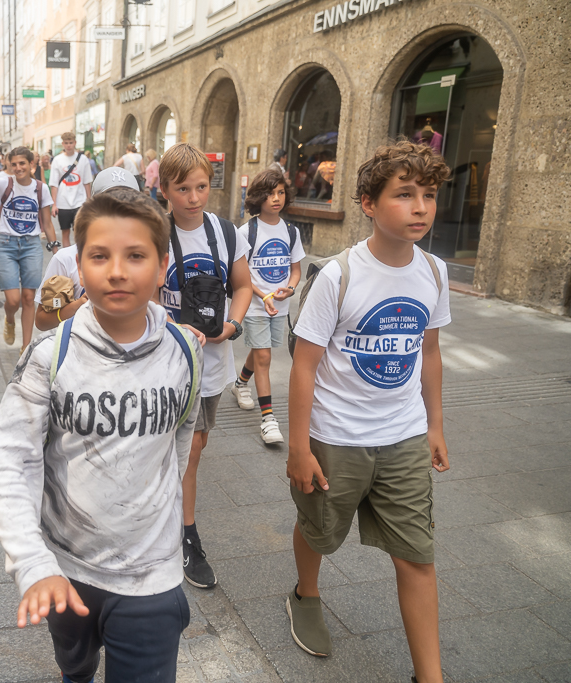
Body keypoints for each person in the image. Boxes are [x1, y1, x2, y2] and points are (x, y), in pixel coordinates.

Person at [0, 186, 202, 683]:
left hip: (153, 577)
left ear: (163, 264)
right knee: (74, 666)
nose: (118, 270)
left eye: (136, 255)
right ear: (79, 265)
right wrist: (33, 563)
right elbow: (9, 464)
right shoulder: (48, 357)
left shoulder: (185, 353)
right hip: (66, 570)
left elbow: (179, 443)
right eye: (100, 256)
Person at [286, 140, 451, 683]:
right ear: (368, 204)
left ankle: (430, 675)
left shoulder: (433, 271)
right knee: (319, 530)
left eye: (428, 195)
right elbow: (305, 364)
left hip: (402, 435)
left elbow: (428, 352)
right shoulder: (338, 275)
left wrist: (435, 425)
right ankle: (305, 593)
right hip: (337, 436)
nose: (421, 207)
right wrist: (299, 446)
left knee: (417, 555)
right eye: (404, 195)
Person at [156, 142, 252, 589]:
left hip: (211, 365)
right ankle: (174, 532)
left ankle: (181, 530)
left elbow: (244, 286)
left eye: (201, 187)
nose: (194, 197)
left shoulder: (228, 232)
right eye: (183, 188)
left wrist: (231, 325)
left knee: (193, 450)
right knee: (161, 449)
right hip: (160, 364)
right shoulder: (154, 232)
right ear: (164, 190)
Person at [231, 168, 304, 445]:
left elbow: (295, 269)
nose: (276, 198)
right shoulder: (246, 231)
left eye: (281, 192)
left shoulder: (290, 231)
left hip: (279, 305)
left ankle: (240, 384)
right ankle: (268, 419)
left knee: (259, 350)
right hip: (255, 304)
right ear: (259, 197)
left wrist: (291, 288)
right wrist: (263, 296)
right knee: (263, 357)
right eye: (271, 193)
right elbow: (241, 275)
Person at [0, 143, 61, 350]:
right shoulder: (4, 182)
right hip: (6, 245)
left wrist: (56, 250)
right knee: (13, 300)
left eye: (22, 163)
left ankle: (26, 346)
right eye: (14, 164)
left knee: (29, 297)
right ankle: (10, 317)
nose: (18, 168)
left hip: (31, 245)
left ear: (32, 164)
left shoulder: (41, 188)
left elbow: (46, 223)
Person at [34, 166, 141, 332]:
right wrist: (77, 306)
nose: (120, 208)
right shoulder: (66, 258)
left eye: (129, 202)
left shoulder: (146, 259)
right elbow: (41, 321)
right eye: (110, 202)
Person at [49, 131, 95, 248]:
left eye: (70, 143)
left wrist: (89, 200)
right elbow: (54, 184)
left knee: (79, 231)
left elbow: (86, 181)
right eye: (66, 143)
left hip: (79, 201)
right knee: (65, 232)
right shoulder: (57, 160)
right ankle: (67, 258)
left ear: (75, 143)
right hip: (63, 201)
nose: (68, 145)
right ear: (62, 144)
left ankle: (79, 256)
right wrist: (54, 204)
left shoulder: (83, 159)